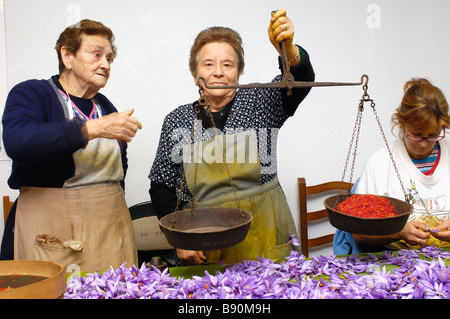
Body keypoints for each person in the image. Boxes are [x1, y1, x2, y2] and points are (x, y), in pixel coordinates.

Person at [149, 9, 315, 265]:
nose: (218, 72)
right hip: (203, 243)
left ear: (238, 72)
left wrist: (287, 49)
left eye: (228, 64)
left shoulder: (263, 102)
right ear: (195, 73)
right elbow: (161, 187)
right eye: (208, 64)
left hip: (266, 236)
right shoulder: (178, 121)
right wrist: (179, 238)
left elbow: (301, 78)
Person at [1, 19, 142, 272]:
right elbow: (18, 141)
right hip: (51, 224)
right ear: (67, 56)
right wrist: (91, 129)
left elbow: (119, 169)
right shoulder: (33, 94)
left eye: (109, 58)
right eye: (97, 55)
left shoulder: (105, 106)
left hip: (110, 226)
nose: (106, 64)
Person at [334, 78, 450, 255]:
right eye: (417, 135)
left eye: (433, 135)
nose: (425, 144)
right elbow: (359, 235)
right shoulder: (381, 162)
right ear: (401, 124)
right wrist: (398, 232)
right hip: (395, 266)